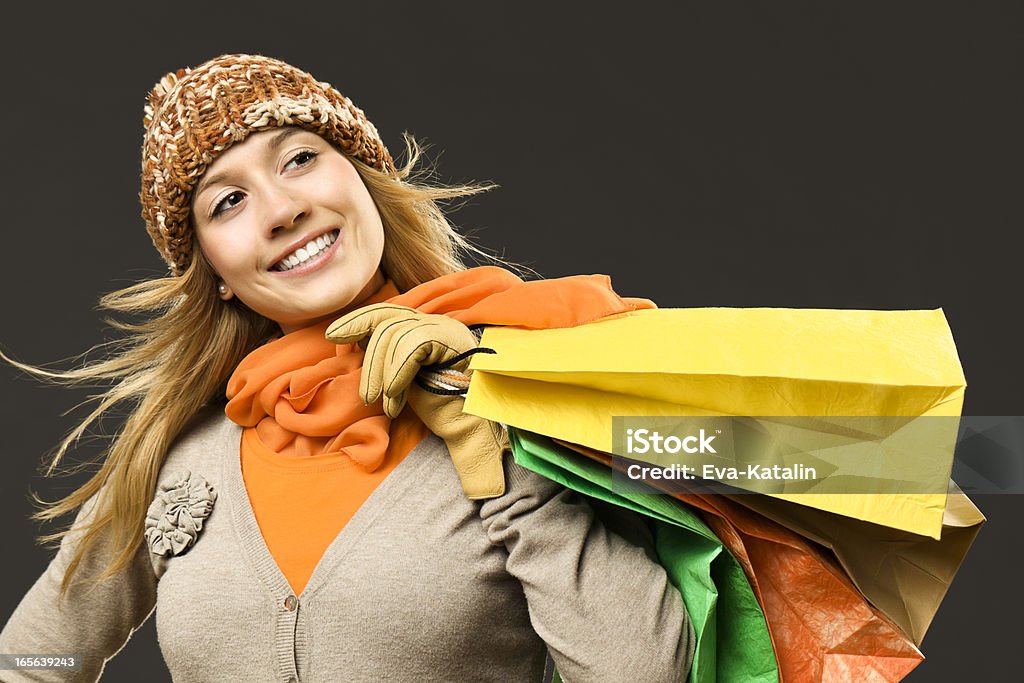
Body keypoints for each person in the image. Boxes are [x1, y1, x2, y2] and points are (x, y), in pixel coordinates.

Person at [0, 53, 694, 682]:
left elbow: (643, 670)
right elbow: (32, 659)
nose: (282, 209)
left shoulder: (525, 392)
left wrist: (503, 446)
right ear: (213, 271)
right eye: (228, 201)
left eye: (298, 158)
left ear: (364, 178)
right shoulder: (179, 462)